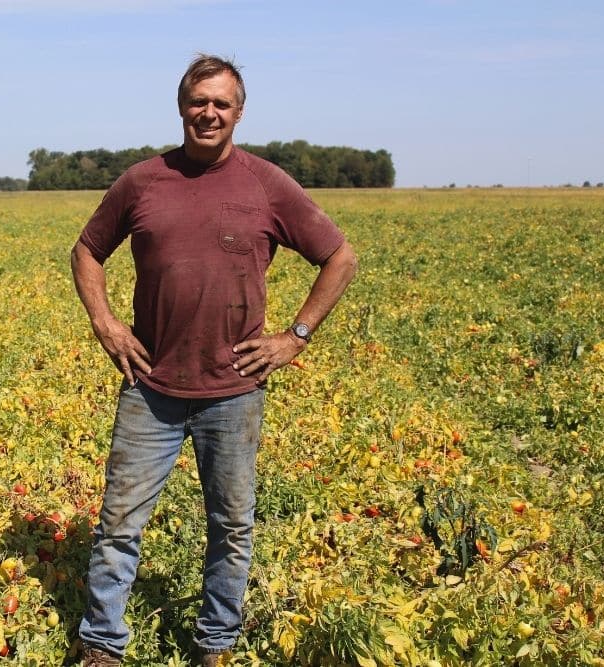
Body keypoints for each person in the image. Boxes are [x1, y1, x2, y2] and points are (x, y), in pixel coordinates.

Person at [71, 54, 357, 666]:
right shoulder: (143, 181)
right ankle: (101, 646)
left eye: (221, 104)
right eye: (199, 101)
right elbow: (88, 249)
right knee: (119, 525)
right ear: (181, 106)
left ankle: (216, 643)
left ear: (239, 113)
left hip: (234, 390)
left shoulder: (266, 184)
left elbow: (340, 257)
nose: (209, 113)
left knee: (231, 526)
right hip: (150, 385)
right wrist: (106, 323)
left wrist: (296, 336)